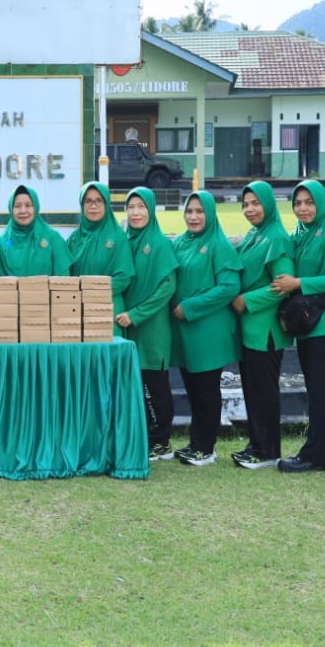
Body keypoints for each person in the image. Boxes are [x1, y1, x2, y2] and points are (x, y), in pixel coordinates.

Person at [275, 180, 325, 473]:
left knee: (319, 390)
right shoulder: (299, 233)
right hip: (311, 325)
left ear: (320, 203)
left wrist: (298, 284)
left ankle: (315, 455)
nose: (303, 208)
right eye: (298, 203)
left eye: (309, 202)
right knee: (318, 389)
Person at [169, 191, 240, 466]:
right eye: (190, 211)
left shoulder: (219, 245)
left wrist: (191, 307)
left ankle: (206, 447)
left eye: (200, 211)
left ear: (210, 214)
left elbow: (229, 287)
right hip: (186, 332)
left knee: (207, 390)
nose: (194, 217)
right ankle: (196, 442)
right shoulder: (181, 243)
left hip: (208, 330)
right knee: (193, 389)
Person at [229, 181, 294, 469]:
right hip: (249, 328)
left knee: (264, 390)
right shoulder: (256, 234)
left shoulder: (276, 237)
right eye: (245, 204)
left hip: (265, 329)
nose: (250, 209)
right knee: (253, 389)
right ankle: (257, 444)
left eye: (256, 203)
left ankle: (268, 450)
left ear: (268, 204)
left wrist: (247, 301)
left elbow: (283, 286)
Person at [118, 187, 179, 461]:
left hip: (152, 326)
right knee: (136, 382)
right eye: (131, 207)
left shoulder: (158, 242)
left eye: (141, 206)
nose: (136, 212)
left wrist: (137, 314)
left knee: (155, 383)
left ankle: (161, 440)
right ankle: (143, 436)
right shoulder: (124, 240)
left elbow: (167, 288)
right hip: (127, 324)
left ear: (151, 210)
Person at [66, 182, 134, 327]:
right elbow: (65, 273)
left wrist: (91, 291)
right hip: (79, 310)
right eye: (88, 201)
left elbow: (123, 278)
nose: (93, 206)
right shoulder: (74, 238)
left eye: (99, 201)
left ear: (106, 204)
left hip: (108, 310)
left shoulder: (118, 237)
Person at [0, 183, 72, 277]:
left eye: (28, 205)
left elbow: (64, 280)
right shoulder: (1, 243)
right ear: (11, 209)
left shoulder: (52, 238)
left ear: (36, 207)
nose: (23, 211)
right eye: (17, 206)